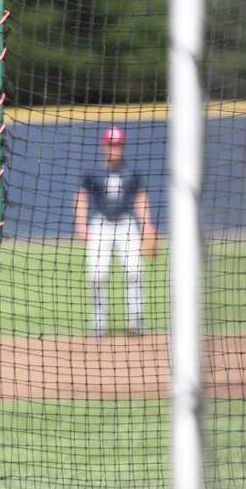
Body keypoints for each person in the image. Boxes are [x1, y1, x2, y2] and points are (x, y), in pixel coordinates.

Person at [73, 126, 158, 336]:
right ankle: (99, 322)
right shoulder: (93, 171)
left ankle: (136, 320)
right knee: (97, 274)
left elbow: (140, 197)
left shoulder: (131, 171)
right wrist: (81, 224)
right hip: (101, 224)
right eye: (111, 144)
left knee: (135, 271)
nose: (114, 148)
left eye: (118, 144)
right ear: (104, 145)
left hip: (126, 224)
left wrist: (147, 224)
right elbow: (81, 196)